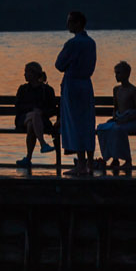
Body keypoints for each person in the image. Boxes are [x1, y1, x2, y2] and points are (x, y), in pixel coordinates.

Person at [56, 11, 97, 174]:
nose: (67, 25)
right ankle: (90, 163)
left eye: (70, 22)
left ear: (79, 23)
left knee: (75, 123)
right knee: (87, 123)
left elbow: (59, 64)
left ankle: (81, 164)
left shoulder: (73, 44)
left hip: (73, 85)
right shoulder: (91, 43)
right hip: (86, 84)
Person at [97, 60, 136, 172]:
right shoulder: (116, 90)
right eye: (116, 73)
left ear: (126, 74)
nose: (116, 75)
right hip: (119, 120)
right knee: (102, 128)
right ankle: (112, 158)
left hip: (131, 122)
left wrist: (126, 118)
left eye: (119, 73)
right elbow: (115, 108)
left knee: (117, 129)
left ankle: (128, 160)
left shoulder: (133, 90)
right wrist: (114, 117)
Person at [12, 61, 57, 168]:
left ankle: (28, 158)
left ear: (34, 74)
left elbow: (52, 110)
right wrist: (32, 110)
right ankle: (43, 144)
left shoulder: (47, 90)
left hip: (42, 121)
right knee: (33, 115)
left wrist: (41, 112)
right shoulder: (23, 89)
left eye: (27, 72)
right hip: (23, 119)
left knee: (32, 123)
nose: (24, 75)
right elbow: (18, 107)